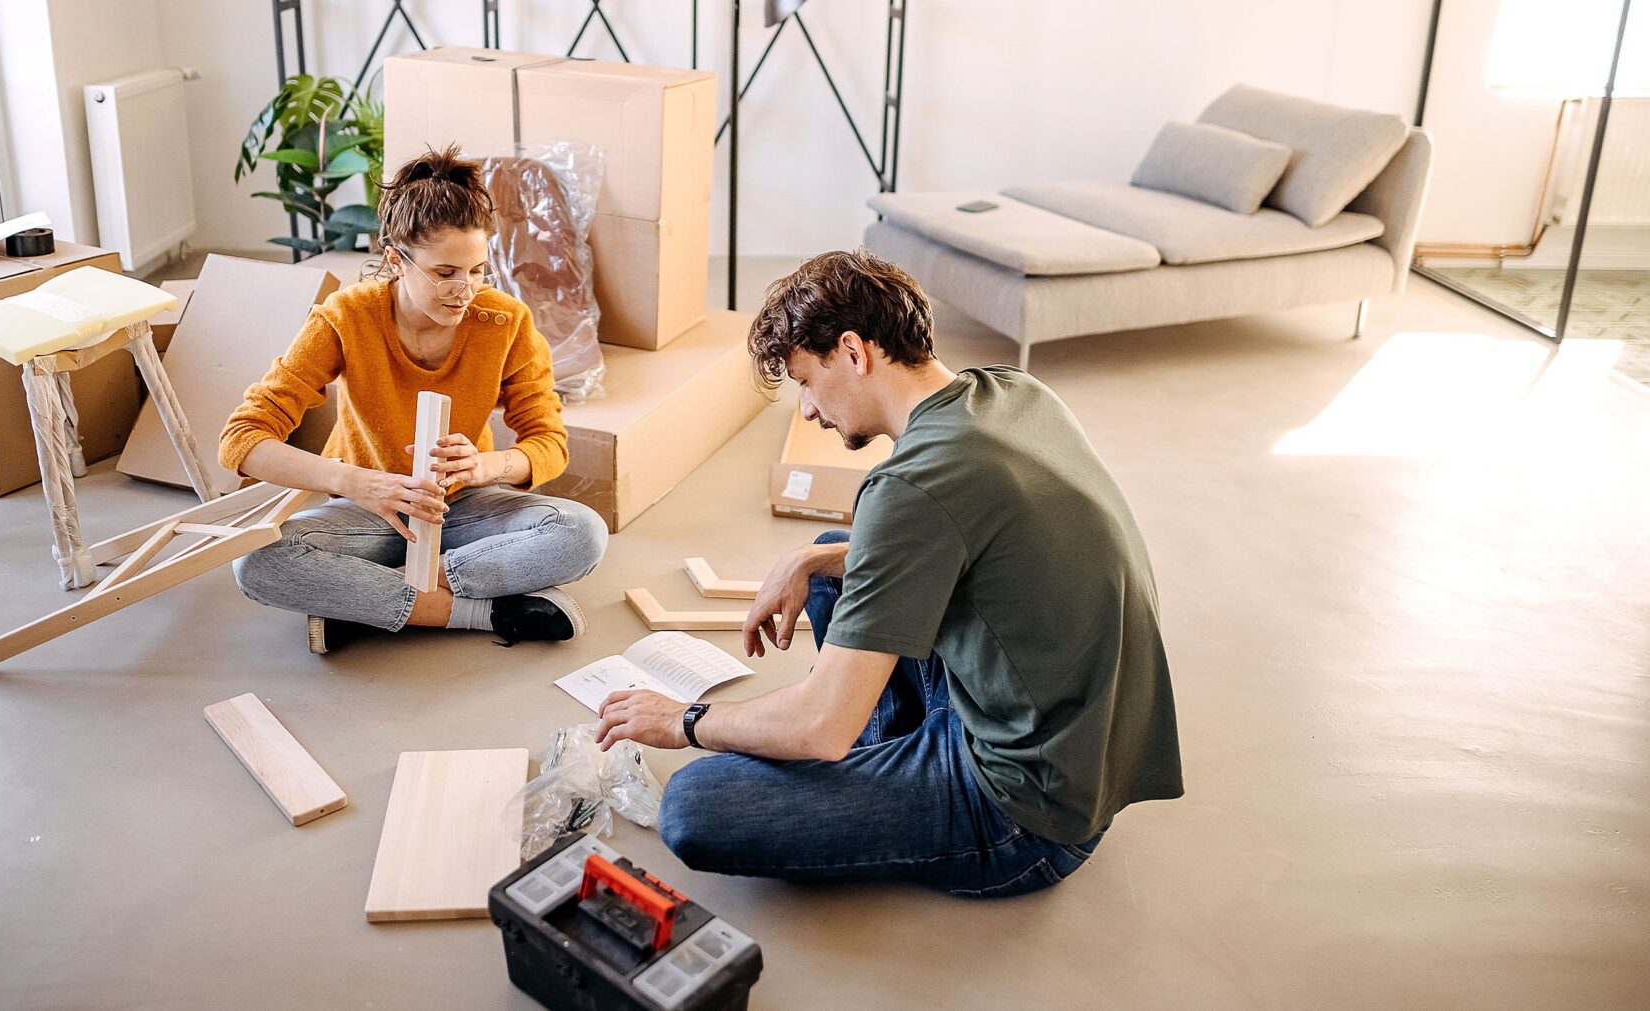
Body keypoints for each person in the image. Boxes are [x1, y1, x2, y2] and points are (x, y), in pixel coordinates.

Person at [595, 249, 1182, 897]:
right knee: (830, 553)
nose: (810, 410)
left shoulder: (910, 485)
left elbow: (819, 726)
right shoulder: (1011, 391)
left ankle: (883, 769)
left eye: (806, 381)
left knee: (695, 802)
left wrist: (684, 718)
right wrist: (809, 557)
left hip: (1027, 813)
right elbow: (969, 539)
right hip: (1079, 746)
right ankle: (885, 758)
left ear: (852, 351)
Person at [220, 146, 607, 654]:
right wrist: (357, 482)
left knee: (583, 532)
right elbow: (241, 440)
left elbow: (549, 443)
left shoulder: (505, 321)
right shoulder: (347, 317)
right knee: (256, 560)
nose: (465, 290)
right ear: (396, 260)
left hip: (465, 510)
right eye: (445, 273)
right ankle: (475, 611)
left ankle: (365, 602)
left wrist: (483, 467)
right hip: (371, 513)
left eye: (477, 271)